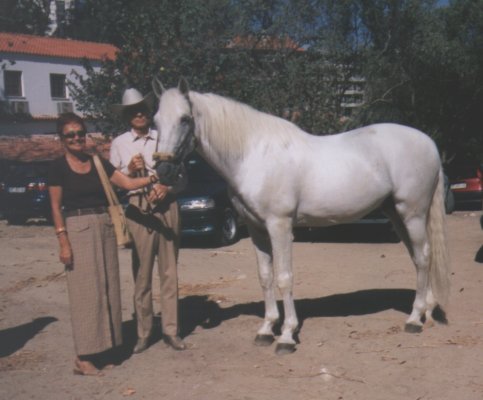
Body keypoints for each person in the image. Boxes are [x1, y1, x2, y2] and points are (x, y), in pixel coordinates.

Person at [48, 112, 158, 376]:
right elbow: (55, 206)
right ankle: (84, 357)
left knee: (108, 287)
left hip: (104, 226)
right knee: (85, 293)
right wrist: (63, 241)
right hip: (77, 228)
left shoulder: (98, 163)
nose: (76, 138)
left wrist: (154, 178)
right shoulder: (57, 167)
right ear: (62, 138)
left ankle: (104, 349)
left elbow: (128, 182)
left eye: (80, 133)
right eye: (70, 135)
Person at [110, 88, 187, 353]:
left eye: (142, 109)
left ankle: (171, 331)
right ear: (127, 116)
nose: (139, 114)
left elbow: (182, 177)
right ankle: (144, 333)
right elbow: (115, 185)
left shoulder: (163, 137)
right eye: (133, 111)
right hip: (138, 209)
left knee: (169, 273)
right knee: (142, 274)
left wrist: (168, 188)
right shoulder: (119, 143)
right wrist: (128, 172)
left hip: (166, 207)